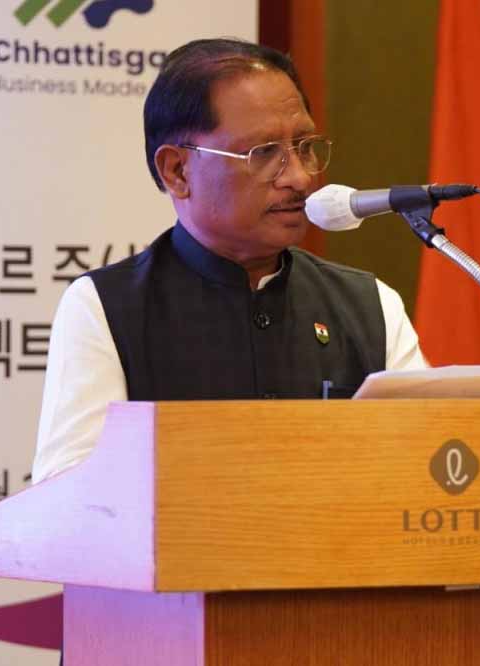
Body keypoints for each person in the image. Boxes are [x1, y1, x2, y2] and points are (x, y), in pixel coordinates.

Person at [32, 38, 426, 483]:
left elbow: (426, 464)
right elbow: (69, 492)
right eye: (265, 153)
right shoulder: (104, 308)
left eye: (304, 146)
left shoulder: (370, 304)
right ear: (177, 171)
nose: (300, 177)